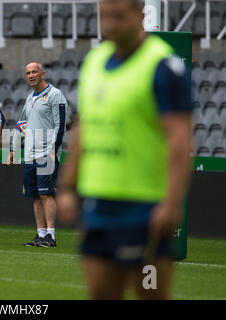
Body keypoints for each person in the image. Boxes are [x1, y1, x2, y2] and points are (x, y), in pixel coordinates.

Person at [57, 0, 192, 299]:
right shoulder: (94, 61)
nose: (111, 25)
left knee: (151, 294)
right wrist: (67, 186)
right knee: (101, 294)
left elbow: (180, 141)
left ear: (140, 15)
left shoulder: (163, 66)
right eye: (105, 17)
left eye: (119, 17)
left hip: (144, 210)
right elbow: (84, 128)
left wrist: (172, 203)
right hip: (98, 208)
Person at [7, 62, 67, 248]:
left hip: (45, 154)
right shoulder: (29, 98)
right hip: (29, 155)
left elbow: (60, 124)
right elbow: (21, 124)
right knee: (34, 195)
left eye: (34, 72)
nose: (31, 75)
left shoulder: (55, 95)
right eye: (27, 73)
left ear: (43, 73)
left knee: (46, 194)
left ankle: (51, 235)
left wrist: (52, 150)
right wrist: (13, 149)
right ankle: (40, 235)